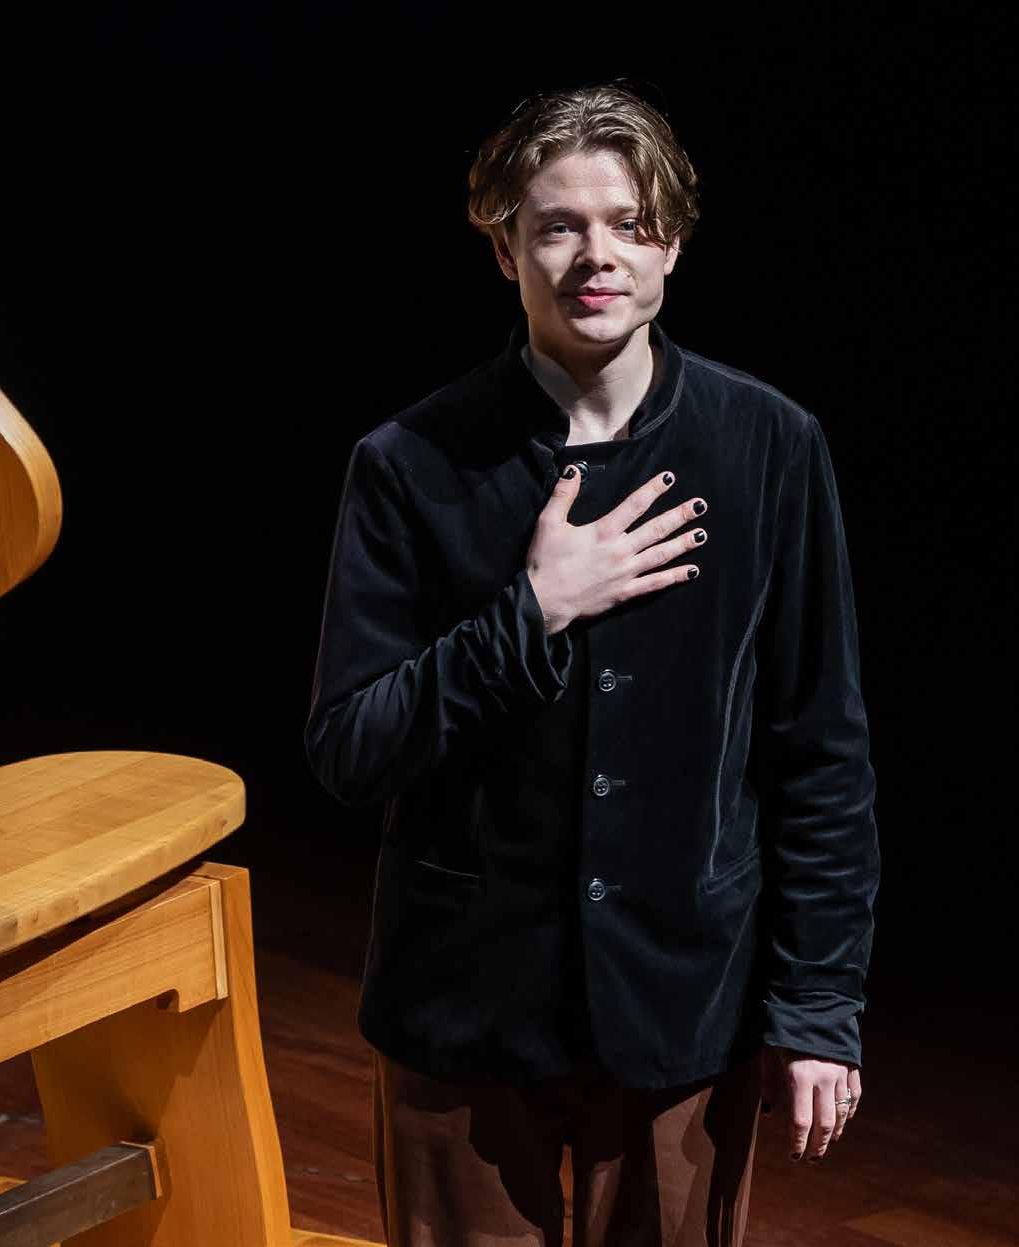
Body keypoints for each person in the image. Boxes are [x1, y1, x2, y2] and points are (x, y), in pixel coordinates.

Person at [304, 80, 880, 1247]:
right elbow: (351, 747)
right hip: (463, 1010)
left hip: (682, 1001)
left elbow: (819, 748)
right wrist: (533, 612)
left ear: (671, 243)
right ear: (503, 248)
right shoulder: (410, 461)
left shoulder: (769, 444)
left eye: (628, 222)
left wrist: (817, 1003)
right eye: (556, 226)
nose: (594, 255)